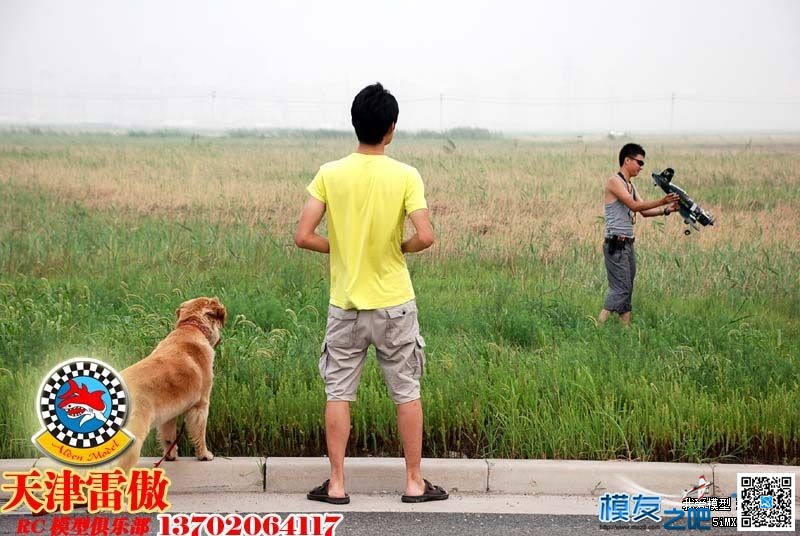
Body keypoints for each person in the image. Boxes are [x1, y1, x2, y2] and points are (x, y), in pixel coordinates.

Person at [294, 82, 448, 504]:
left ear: (355, 124)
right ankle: (415, 482)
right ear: (391, 129)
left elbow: (303, 236)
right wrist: (399, 247)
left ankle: (338, 484)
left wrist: (340, 247)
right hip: (395, 303)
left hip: (344, 304)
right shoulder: (405, 175)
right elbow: (426, 236)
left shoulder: (329, 173)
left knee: (338, 392)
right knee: (406, 390)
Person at [598, 143, 679, 326]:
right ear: (627, 160)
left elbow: (643, 212)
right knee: (620, 289)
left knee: (627, 288)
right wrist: (662, 199)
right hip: (615, 244)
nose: (641, 167)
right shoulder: (615, 182)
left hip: (627, 244)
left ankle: (625, 332)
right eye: (639, 162)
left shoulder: (630, 186)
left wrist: (667, 209)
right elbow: (634, 206)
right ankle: (598, 327)